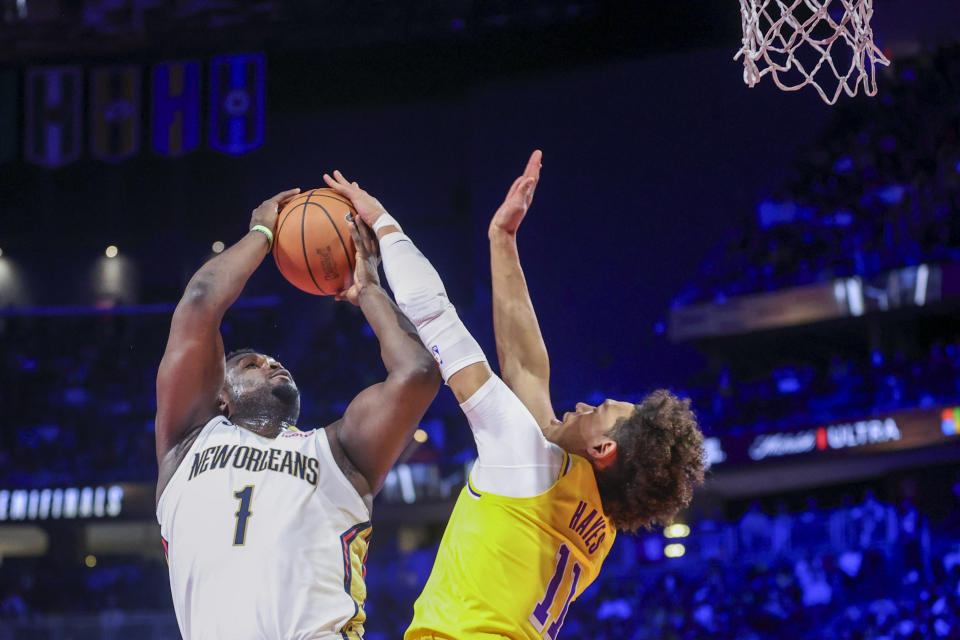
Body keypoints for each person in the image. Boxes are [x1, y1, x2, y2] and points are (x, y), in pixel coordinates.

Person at [323, 152, 706, 640]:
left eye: (599, 412)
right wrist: (502, 241)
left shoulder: (534, 465)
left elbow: (437, 317)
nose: (585, 406)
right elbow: (526, 370)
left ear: (603, 449)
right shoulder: (596, 524)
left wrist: (382, 221)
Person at [154, 188, 441, 640]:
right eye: (250, 364)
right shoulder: (189, 442)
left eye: (272, 361)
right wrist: (263, 234)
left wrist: (368, 289)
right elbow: (200, 302)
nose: (270, 362)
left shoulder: (339, 453)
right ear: (220, 400)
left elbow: (418, 374)